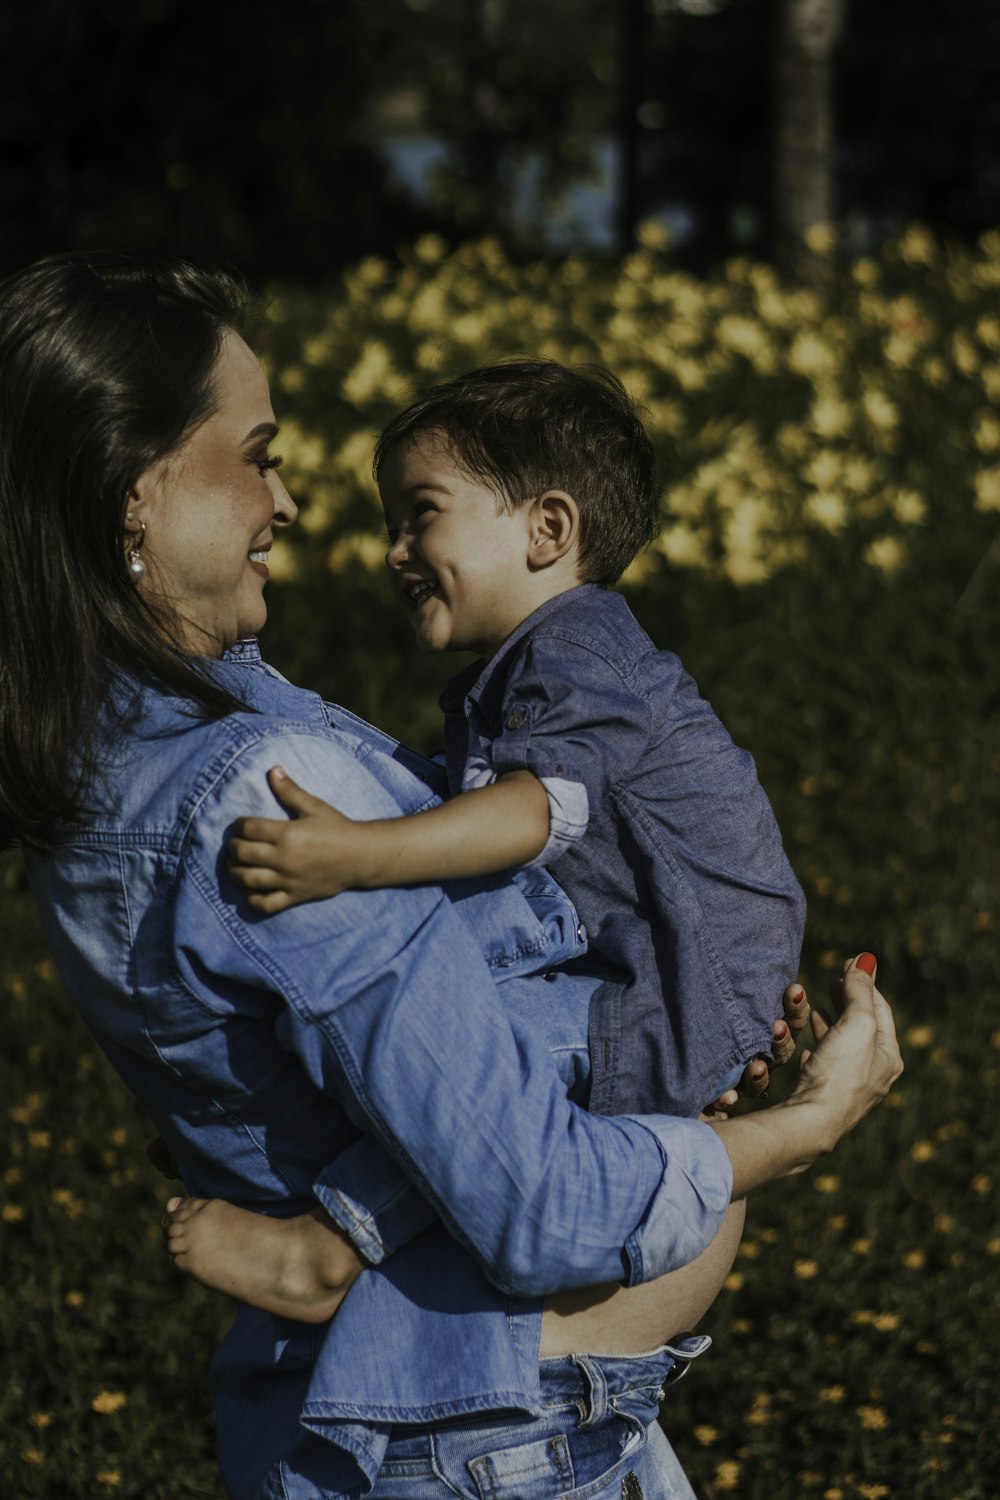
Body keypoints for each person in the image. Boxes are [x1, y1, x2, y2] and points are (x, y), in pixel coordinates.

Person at [0, 251, 903, 1500]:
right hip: (486, 1439)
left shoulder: (101, 774)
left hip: (453, 1427)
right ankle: (338, 1243)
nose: (291, 503)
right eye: (257, 452)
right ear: (134, 490)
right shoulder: (265, 790)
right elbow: (538, 1203)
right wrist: (805, 1130)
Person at [224, 361, 806, 1121]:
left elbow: (537, 812)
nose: (395, 552)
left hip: (674, 1001)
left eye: (421, 515)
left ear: (548, 530)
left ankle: (323, 1228)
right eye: (389, 527)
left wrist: (358, 854)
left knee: (440, 1070)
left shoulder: (578, 651)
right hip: (641, 975)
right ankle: (271, 1122)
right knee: (391, 1034)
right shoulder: (538, 660)